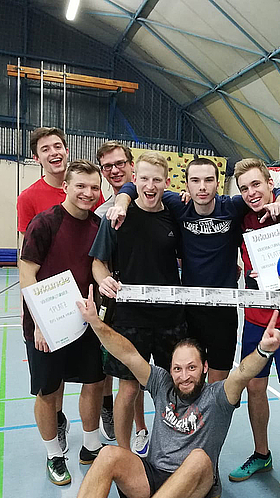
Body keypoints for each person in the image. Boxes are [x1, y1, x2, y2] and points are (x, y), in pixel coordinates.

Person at [106, 155, 280, 498]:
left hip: (221, 316)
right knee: (182, 391)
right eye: (195, 181)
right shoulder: (176, 203)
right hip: (186, 315)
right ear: (184, 185)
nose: (202, 188)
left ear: (218, 183)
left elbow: (277, 190)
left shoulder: (233, 207)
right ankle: (173, 459)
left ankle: (209, 468)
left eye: (208, 181)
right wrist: (122, 198)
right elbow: (133, 183)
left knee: (216, 397)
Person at [67, 290, 280, 498]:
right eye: (178, 369)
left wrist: (264, 350)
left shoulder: (218, 397)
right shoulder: (161, 383)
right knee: (108, 454)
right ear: (170, 370)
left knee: (199, 459)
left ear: (204, 368)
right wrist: (95, 322)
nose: (184, 376)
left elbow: (242, 374)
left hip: (188, 494)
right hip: (151, 479)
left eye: (191, 368)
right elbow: (128, 354)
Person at [89, 151, 186, 460]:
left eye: (157, 180)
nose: (150, 185)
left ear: (166, 183)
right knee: (129, 388)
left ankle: (172, 446)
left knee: (173, 387)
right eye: (144, 178)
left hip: (171, 318)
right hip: (130, 318)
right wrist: (103, 279)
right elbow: (98, 263)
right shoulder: (117, 217)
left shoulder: (173, 213)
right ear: (135, 180)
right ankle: (123, 453)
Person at [19, 160, 106, 486]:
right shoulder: (44, 224)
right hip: (46, 324)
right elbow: (27, 273)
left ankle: (90, 445)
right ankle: (54, 454)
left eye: (94, 187)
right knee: (48, 390)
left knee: (94, 382)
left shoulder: (99, 227)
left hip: (85, 322)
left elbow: (97, 268)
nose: (87, 193)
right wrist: (40, 321)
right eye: (80, 186)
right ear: (66, 187)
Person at [229, 158, 280, 492]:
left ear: (269, 182)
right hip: (254, 319)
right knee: (255, 387)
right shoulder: (241, 217)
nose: (251, 193)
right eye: (244, 188)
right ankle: (262, 453)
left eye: (256, 185)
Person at [94, 141, 138, 444]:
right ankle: (110, 410)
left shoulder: (165, 201)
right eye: (108, 166)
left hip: (158, 306)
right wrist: (102, 280)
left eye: (120, 163)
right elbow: (99, 262)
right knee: (118, 370)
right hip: (116, 305)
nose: (115, 170)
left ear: (131, 165)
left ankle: (151, 430)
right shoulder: (100, 214)